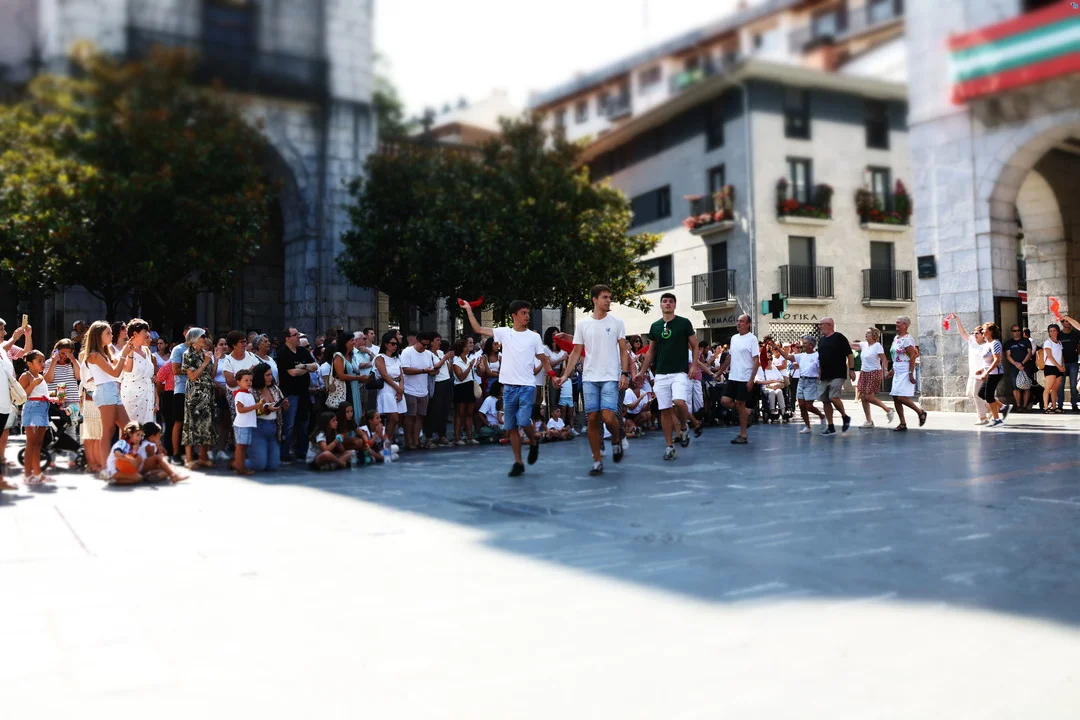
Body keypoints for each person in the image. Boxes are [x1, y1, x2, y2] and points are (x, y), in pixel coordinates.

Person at [461, 298, 554, 477]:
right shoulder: (504, 333)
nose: (527, 316)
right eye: (523, 313)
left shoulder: (534, 337)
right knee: (511, 427)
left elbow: (543, 359)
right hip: (509, 388)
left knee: (523, 420)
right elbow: (478, 329)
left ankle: (533, 441)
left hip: (527, 386)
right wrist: (468, 309)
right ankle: (518, 462)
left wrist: (553, 375)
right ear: (514, 315)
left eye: (528, 313)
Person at [556, 285, 629, 476]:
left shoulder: (617, 322)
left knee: (608, 417)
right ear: (594, 300)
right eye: (605, 297)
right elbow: (576, 352)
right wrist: (565, 375)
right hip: (589, 378)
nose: (609, 300)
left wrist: (624, 373)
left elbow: (623, 351)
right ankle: (597, 461)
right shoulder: (583, 324)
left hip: (610, 377)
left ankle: (616, 438)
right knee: (593, 419)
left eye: (610, 297)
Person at [635, 292, 702, 462]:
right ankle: (669, 446)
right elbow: (651, 352)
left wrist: (694, 365)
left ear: (675, 305)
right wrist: (642, 372)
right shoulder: (655, 326)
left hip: (679, 372)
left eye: (671, 301)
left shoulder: (684, 323)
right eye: (664, 301)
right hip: (661, 374)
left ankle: (684, 427)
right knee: (665, 410)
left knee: (679, 402)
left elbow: (695, 345)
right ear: (661, 305)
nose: (668, 304)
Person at [82, 321, 134, 466]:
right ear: (98, 335)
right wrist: (124, 353)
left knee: (129, 429)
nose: (112, 335)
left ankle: (122, 461)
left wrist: (127, 352)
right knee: (108, 432)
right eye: (108, 333)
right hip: (105, 391)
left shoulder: (106, 353)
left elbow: (124, 368)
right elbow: (115, 372)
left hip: (112, 391)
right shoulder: (94, 355)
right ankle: (106, 467)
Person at [715, 314, 759, 444]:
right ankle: (748, 411)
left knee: (740, 404)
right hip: (733, 376)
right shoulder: (734, 338)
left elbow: (756, 361)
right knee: (724, 401)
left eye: (742, 321)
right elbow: (729, 357)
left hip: (745, 377)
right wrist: (719, 372)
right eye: (738, 321)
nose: (738, 323)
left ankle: (743, 435)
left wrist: (751, 379)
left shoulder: (752, 339)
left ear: (748, 324)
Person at [277, 326, 319, 463]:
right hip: (290, 393)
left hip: (303, 392)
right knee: (289, 424)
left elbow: (315, 366)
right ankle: (285, 452)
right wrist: (306, 368)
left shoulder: (302, 351)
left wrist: (303, 366)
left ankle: (302, 451)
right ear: (287, 338)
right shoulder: (283, 352)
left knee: (303, 423)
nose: (298, 337)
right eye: (295, 335)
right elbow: (292, 373)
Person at [181, 327, 220, 468]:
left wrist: (215, 360)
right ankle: (189, 458)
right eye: (202, 336)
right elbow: (192, 376)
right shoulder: (188, 354)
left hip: (207, 393)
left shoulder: (206, 354)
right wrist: (205, 363)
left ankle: (203, 457)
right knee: (191, 424)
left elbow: (212, 374)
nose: (205, 339)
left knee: (206, 424)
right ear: (194, 339)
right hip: (195, 394)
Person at [0, 318, 32, 483]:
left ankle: (1, 458)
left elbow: (27, 353)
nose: (4, 333)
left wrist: (27, 335)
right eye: (1, 329)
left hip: (6, 397)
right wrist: (14, 338)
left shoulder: (7, 348)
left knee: (5, 429)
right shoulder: (5, 347)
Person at [775, 335, 826, 434]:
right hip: (801, 380)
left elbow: (821, 369)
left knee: (808, 406)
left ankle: (822, 416)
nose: (803, 345)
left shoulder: (817, 355)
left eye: (805, 343)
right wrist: (777, 348)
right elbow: (787, 356)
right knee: (802, 405)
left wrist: (821, 380)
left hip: (812, 381)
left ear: (811, 345)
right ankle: (807, 426)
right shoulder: (801, 355)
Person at [814, 317, 854, 436]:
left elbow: (849, 354)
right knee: (825, 400)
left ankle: (844, 416)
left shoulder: (839, 337)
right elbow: (820, 358)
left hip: (838, 373)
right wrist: (819, 372)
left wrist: (851, 370)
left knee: (833, 397)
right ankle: (831, 426)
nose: (819, 326)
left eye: (821, 324)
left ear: (829, 325)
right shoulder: (821, 340)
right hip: (825, 375)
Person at [18, 350, 53, 484]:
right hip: (32, 409)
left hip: (43, 409)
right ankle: (27, 475)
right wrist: (33, 384)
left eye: (44, 361)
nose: (43, 364)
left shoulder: (41, 376)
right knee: (31, 443)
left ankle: (37, 473)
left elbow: (42, 393)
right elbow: (21, 396)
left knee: (38, 443)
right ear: (29, 363)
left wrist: (54, 396)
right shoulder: (26, 376)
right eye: (39, 361)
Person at [399, 331, 438, 451]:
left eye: (427, 345)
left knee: (420, 417)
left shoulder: (428, 354)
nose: (424, 347)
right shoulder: (407, 352)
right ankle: (408, 441)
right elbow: (405, 370)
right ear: (417, 341)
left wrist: (433, 371)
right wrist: (423, 371)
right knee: (410, 417)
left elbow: (430, 369)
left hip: (423, 390)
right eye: (423, 344)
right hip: (409, 390)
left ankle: (416, 441)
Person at [887, 315, 927, 430]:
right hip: (897, 369)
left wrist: (910, 372)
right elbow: (896, 356)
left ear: (905, 325)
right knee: (895, 397)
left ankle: (920, 412)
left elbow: (913, 356)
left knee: (901, 397)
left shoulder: (908, 339)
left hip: (905, 369)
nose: (896, 325)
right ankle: (902, 423)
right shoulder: (896, 338)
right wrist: (892, 370)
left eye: (898, 323)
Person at [849, 328, 893, 428]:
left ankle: (888, 410)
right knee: (862, 397)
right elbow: (851, 345)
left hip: (874, 372)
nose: (866, 334)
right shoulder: (864, 344)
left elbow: (884, 359)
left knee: (869, 397)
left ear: (874, 335)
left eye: (868, 333)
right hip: (864, 372)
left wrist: (885, 371)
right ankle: (869, 421)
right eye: (866, 332)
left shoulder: (877, 346)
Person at [951, 316, 989, 425]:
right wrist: (957, 320)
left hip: (981, 374)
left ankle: (982, 418)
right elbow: (962, 332)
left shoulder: (986, 346)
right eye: (974, 333)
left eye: (977, 333)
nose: (974, 335)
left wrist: (984, 371)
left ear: (983, 335)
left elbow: (989, 361)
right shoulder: (972, 341)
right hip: (972, 374)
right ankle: (992, 407)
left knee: (977, 395)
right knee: (970, 393)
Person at [119, 318, 157, 425]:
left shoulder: (147, 350)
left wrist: (154, 377)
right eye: (145, 331)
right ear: (135, 334)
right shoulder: (126, 351)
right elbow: (123, 372)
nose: (148, 334)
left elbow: (149, 372)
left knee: (147, 429)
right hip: (132, 398)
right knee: (132, 429)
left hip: (148, 396)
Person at [248, 362, 284, 472]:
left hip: (273, 427)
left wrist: (284, 405)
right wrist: (267, 409)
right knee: (259, 465)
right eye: (267, 375)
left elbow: (280, 405)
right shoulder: (251, 391)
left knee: (273, 466)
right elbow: (250, 411)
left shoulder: (275, 389)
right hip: (258, 428)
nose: (270, 377)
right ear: (260, 376)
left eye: (271, 374)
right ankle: (237, 463)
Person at [374, 330, 406, 444]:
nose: (395, 346)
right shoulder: (380, 357)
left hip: (397, 387)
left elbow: (401, 375)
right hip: (387, 388)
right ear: (386, 344)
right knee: (393, 417)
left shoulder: (397, 358)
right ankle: (386, 442)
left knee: (396, 419)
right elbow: (385, 375)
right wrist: (398, 389)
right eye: (392, 343)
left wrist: (400, 389)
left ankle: (389, 441)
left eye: (396, 344)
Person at [976, 323, 1010, 427]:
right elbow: (987, 361)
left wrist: (986, 372)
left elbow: (997, 360)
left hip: (995, 373)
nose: (982, 331)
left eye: (984, 329)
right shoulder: (987, 343)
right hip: (989, 372)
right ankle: (1003, 407)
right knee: (982, 394)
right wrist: (982, 369)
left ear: (990, 331)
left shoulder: (995, 343)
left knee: (989, 396)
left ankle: (997, 419)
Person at [170, 325, 194, 465]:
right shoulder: (178, 349)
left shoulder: (199, 349)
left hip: (196, 391)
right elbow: (175, 370)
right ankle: (176, 453)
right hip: (181, 390)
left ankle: (189, 452)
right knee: (179, 422)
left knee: (192, 423)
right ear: (185, 333)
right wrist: (193, 369)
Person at [451, 336, 479, 445]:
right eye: (466, 346)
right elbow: (461, 377)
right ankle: (457, 437)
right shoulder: (456, 361)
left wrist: (476, 366)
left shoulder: (468, 359)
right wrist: (469, 367)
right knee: (460, 413)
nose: (468, 347)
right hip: (461, 387)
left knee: (469, 413)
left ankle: (470, 436)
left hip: (470, 386)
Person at [43, 338, 82, 417]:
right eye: (62, 353)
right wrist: (53, 362)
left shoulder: (73, 362)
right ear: (56, 351)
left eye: (68, 353)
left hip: (71, 398)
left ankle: (68, 412)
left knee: (72, 420)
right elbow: (48, 380)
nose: (64, 356)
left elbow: (79, 377)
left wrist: (73, 360)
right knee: (55, 421)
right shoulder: (49, 362)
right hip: (54, 398)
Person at [1004, 324, 1033, 411]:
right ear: (1012, 332)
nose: (1017, 332)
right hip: (1014, 367)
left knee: (1026, 386)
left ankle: (1025, 406)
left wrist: (1022, 363)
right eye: (1014, 331)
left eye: (1018, 330)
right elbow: (1008, 355)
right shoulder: (1009, 343)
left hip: (1026, 366)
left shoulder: (1026, 341)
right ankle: (1018, 405)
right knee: (1015, 386)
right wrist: (1016, 364)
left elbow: (1029, 353)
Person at [1056, 317, 1079, 412]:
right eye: (1066, 321)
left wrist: (1075, 354)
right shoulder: (1059, 335)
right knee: (1061, 385)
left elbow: (1078, 347)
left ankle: (1074, 404)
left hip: (1073, 362)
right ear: (1062, 323)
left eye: (1069, 321)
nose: (1068, 323)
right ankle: (1060, 405)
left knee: (1073, 385)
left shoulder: (1075, 334)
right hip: (1062, 363)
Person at [1041, 323, 1065, 413]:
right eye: (1050, 331)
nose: (1052, 332)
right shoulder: (1048, 342)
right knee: (1048, 388)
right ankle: (1046, 407)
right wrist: (1059, 366)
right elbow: (1050, 356)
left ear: (1057, 331)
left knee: (1055, 389)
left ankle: (1054, 407)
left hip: (1059, 368)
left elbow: (1061, 355)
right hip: (1050, 367)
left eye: (1054, 330)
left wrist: (1062, 366)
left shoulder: (1059, 343)